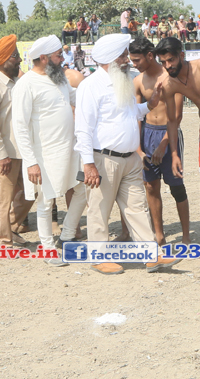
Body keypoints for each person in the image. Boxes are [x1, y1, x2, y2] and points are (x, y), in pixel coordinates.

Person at [74, 33, 179, 274]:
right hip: (103, 160)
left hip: (130, 159)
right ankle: (98, 258)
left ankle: (151, 255)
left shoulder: (124, 81)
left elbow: (132, 113)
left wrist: (150, 104)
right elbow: (83, 129)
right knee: (99, 209)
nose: (127, 60)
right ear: (110, 59)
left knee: (137, 208)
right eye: (122, 56)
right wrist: (88, 164)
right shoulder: (91, 86)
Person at [13, 35, 87, 264]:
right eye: (58, 55)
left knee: (82, 189)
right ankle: (47, 249)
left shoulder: (60, 78)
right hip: (44, 155)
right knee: (46, 201)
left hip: (70, 150)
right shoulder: (26, 84)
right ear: (44, 58)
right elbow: (20, 127)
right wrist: (31, 162)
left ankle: (66, 236)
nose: (62, 58)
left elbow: (77, 97)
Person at [154, 36, 200, 245]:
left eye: (171, 60)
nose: (168, 66)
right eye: (163, 62)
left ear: (181, 55)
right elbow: (172, 121)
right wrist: (174, 154)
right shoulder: (169, 84)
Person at [131, 39, 191, 245]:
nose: (134, 64)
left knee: (176, 186)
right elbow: (136, 116)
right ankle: (159, 235)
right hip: (147, 134)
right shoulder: (138, 81)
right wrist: (139, 149)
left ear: (149, 56)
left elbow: (177, 116)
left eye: (137, 60)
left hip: (169, 135)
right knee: (150, 186)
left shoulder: (170, 76)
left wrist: (164, 144)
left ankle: (186, 235)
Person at [0, 35, 35, 248]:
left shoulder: (16, 83)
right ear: (2, 60)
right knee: (4, 198)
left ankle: (9, 228)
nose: (19, 60)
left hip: (21, 150)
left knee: (31, 193)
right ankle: (4, 240)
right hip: (2, 153)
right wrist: (1, 155)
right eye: (15, 56)